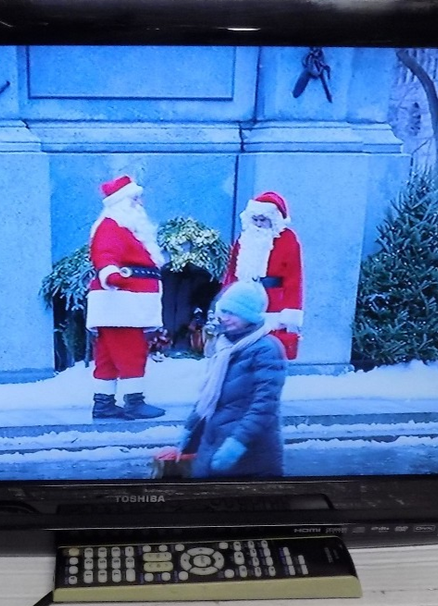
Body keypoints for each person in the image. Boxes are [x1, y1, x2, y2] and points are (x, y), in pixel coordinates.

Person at [167, 282, 287, 478]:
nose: (225, 317)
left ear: (249, 316)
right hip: (213, 442)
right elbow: (208, 396)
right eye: (224, 311)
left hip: (251, 452)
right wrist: (189, 430)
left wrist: (237, 443)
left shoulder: (266, 349)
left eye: (234, 313)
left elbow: (265, 405)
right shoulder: (224, 346)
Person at [86, 175, 167, 420]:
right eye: (135, 199)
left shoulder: (125, 228)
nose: (140, 203)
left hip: (125, 302)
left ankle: (103, 403)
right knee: (132, 352)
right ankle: (134, 403)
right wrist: (111, 275)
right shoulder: (112, 225)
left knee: (108, 357)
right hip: (122, 301)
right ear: (123, 202)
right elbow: (104, 254)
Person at [223, 191, 304, 360]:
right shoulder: (244, 238)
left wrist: (291, 310)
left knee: (269, 346)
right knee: (243, 344)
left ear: (273, 220)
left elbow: (294, 278)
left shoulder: (287, 238)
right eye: (256, 219)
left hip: (273, 301)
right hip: (244, 297)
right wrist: (226, 297)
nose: (259, 224)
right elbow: (231, 271)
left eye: (263, 220)